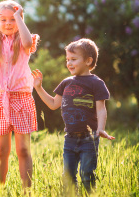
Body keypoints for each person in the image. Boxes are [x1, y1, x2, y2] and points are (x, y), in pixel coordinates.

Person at [32, 38, 114, 193]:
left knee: (86, 174)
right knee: (68, 177)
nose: (69, 63)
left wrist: (101, 128)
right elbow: (53, 104)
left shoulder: (96, 83)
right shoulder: (66, 82)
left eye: (74, 59)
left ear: (88, 61)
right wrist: (38, 87)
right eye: (67, 59)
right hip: (69, 138)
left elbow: (101, 109)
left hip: (89, 138)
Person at [0, 0, 40, 189]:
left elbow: (27, 42)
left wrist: (19, 17)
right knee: (1, 151)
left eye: (12, 20)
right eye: (3, 20)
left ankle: (27, 191)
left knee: (23, 149)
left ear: (19, 20)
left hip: (21, 98)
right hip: (1, 99)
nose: (8, 23)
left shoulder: (24, 40)